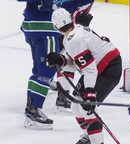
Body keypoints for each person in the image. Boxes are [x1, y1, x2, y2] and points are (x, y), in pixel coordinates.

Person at [47, 8, 122, 144]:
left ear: (56, 27)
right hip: (97, 67)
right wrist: (62, 60)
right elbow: (79, 63)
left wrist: (89, 92)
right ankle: (88, 136)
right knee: (76, 106)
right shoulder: (72, 34)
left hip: (109, 67)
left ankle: (97, 142)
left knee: (86, 108)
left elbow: (89, 69)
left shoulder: (74, 39)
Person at [13, 0, 63, 130]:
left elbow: (60, 6)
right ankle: (34, 112)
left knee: (38, 71)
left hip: (40, 33)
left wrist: (80, 1)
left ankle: (31, 109)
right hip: (45, 33)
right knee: (47, 72)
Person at [52, 0, 98, 111]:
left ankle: (62, 92)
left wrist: (82, 19)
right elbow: (62, 11)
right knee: (66, 59)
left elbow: (75, 14)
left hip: (67, 29)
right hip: (57, 29)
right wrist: (81, 2)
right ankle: (62, 95)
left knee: (68, 59)